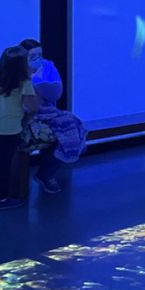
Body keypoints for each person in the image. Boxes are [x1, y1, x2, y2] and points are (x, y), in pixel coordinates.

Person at [18, 39, 87, 194]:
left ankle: (46, 175)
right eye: (32, 56)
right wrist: (36, 90)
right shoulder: (13, 69)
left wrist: (36, 86)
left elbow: (56, 92)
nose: (37, 59)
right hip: (23, 114)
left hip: (48, 112)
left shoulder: (48, 66)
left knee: (71, 127)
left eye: (39, 54)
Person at [0, 46, 38, 211]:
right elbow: (32, 108)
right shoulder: (24, 83)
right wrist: (25, 120)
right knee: (3, 164)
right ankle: (1, 199)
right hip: (9, 129)